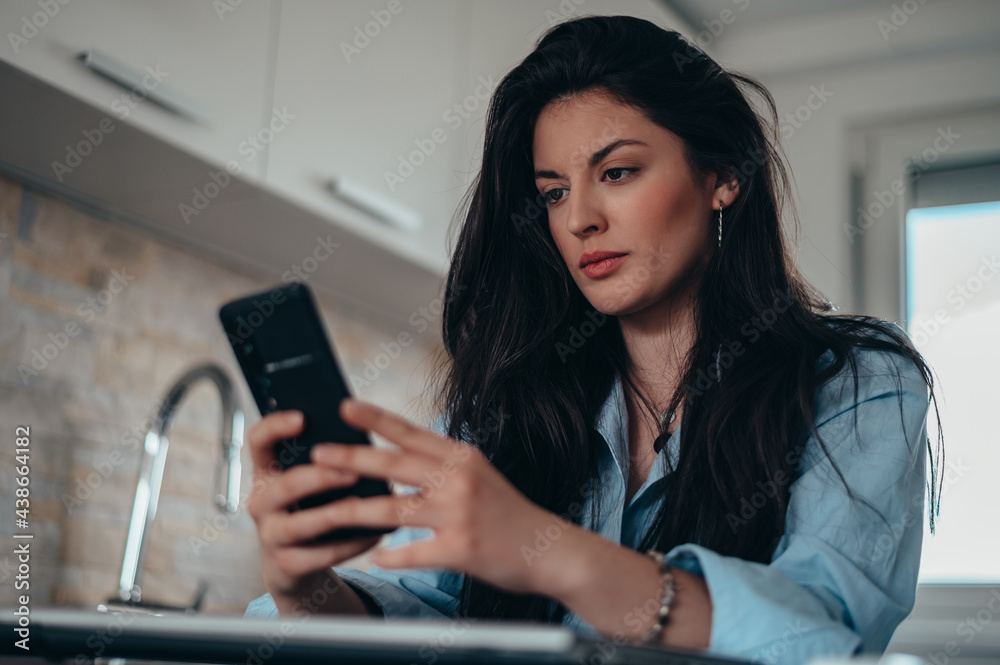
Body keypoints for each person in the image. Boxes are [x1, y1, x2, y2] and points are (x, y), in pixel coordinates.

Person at [242, 14, 944, 665]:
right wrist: (305, 588)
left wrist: (550, 554)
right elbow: (418, 618)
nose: (578, 218)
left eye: (617, 172)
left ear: (722, 175)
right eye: (552, 192)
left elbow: (822, 636)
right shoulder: (503, 410)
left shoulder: (855, 382)